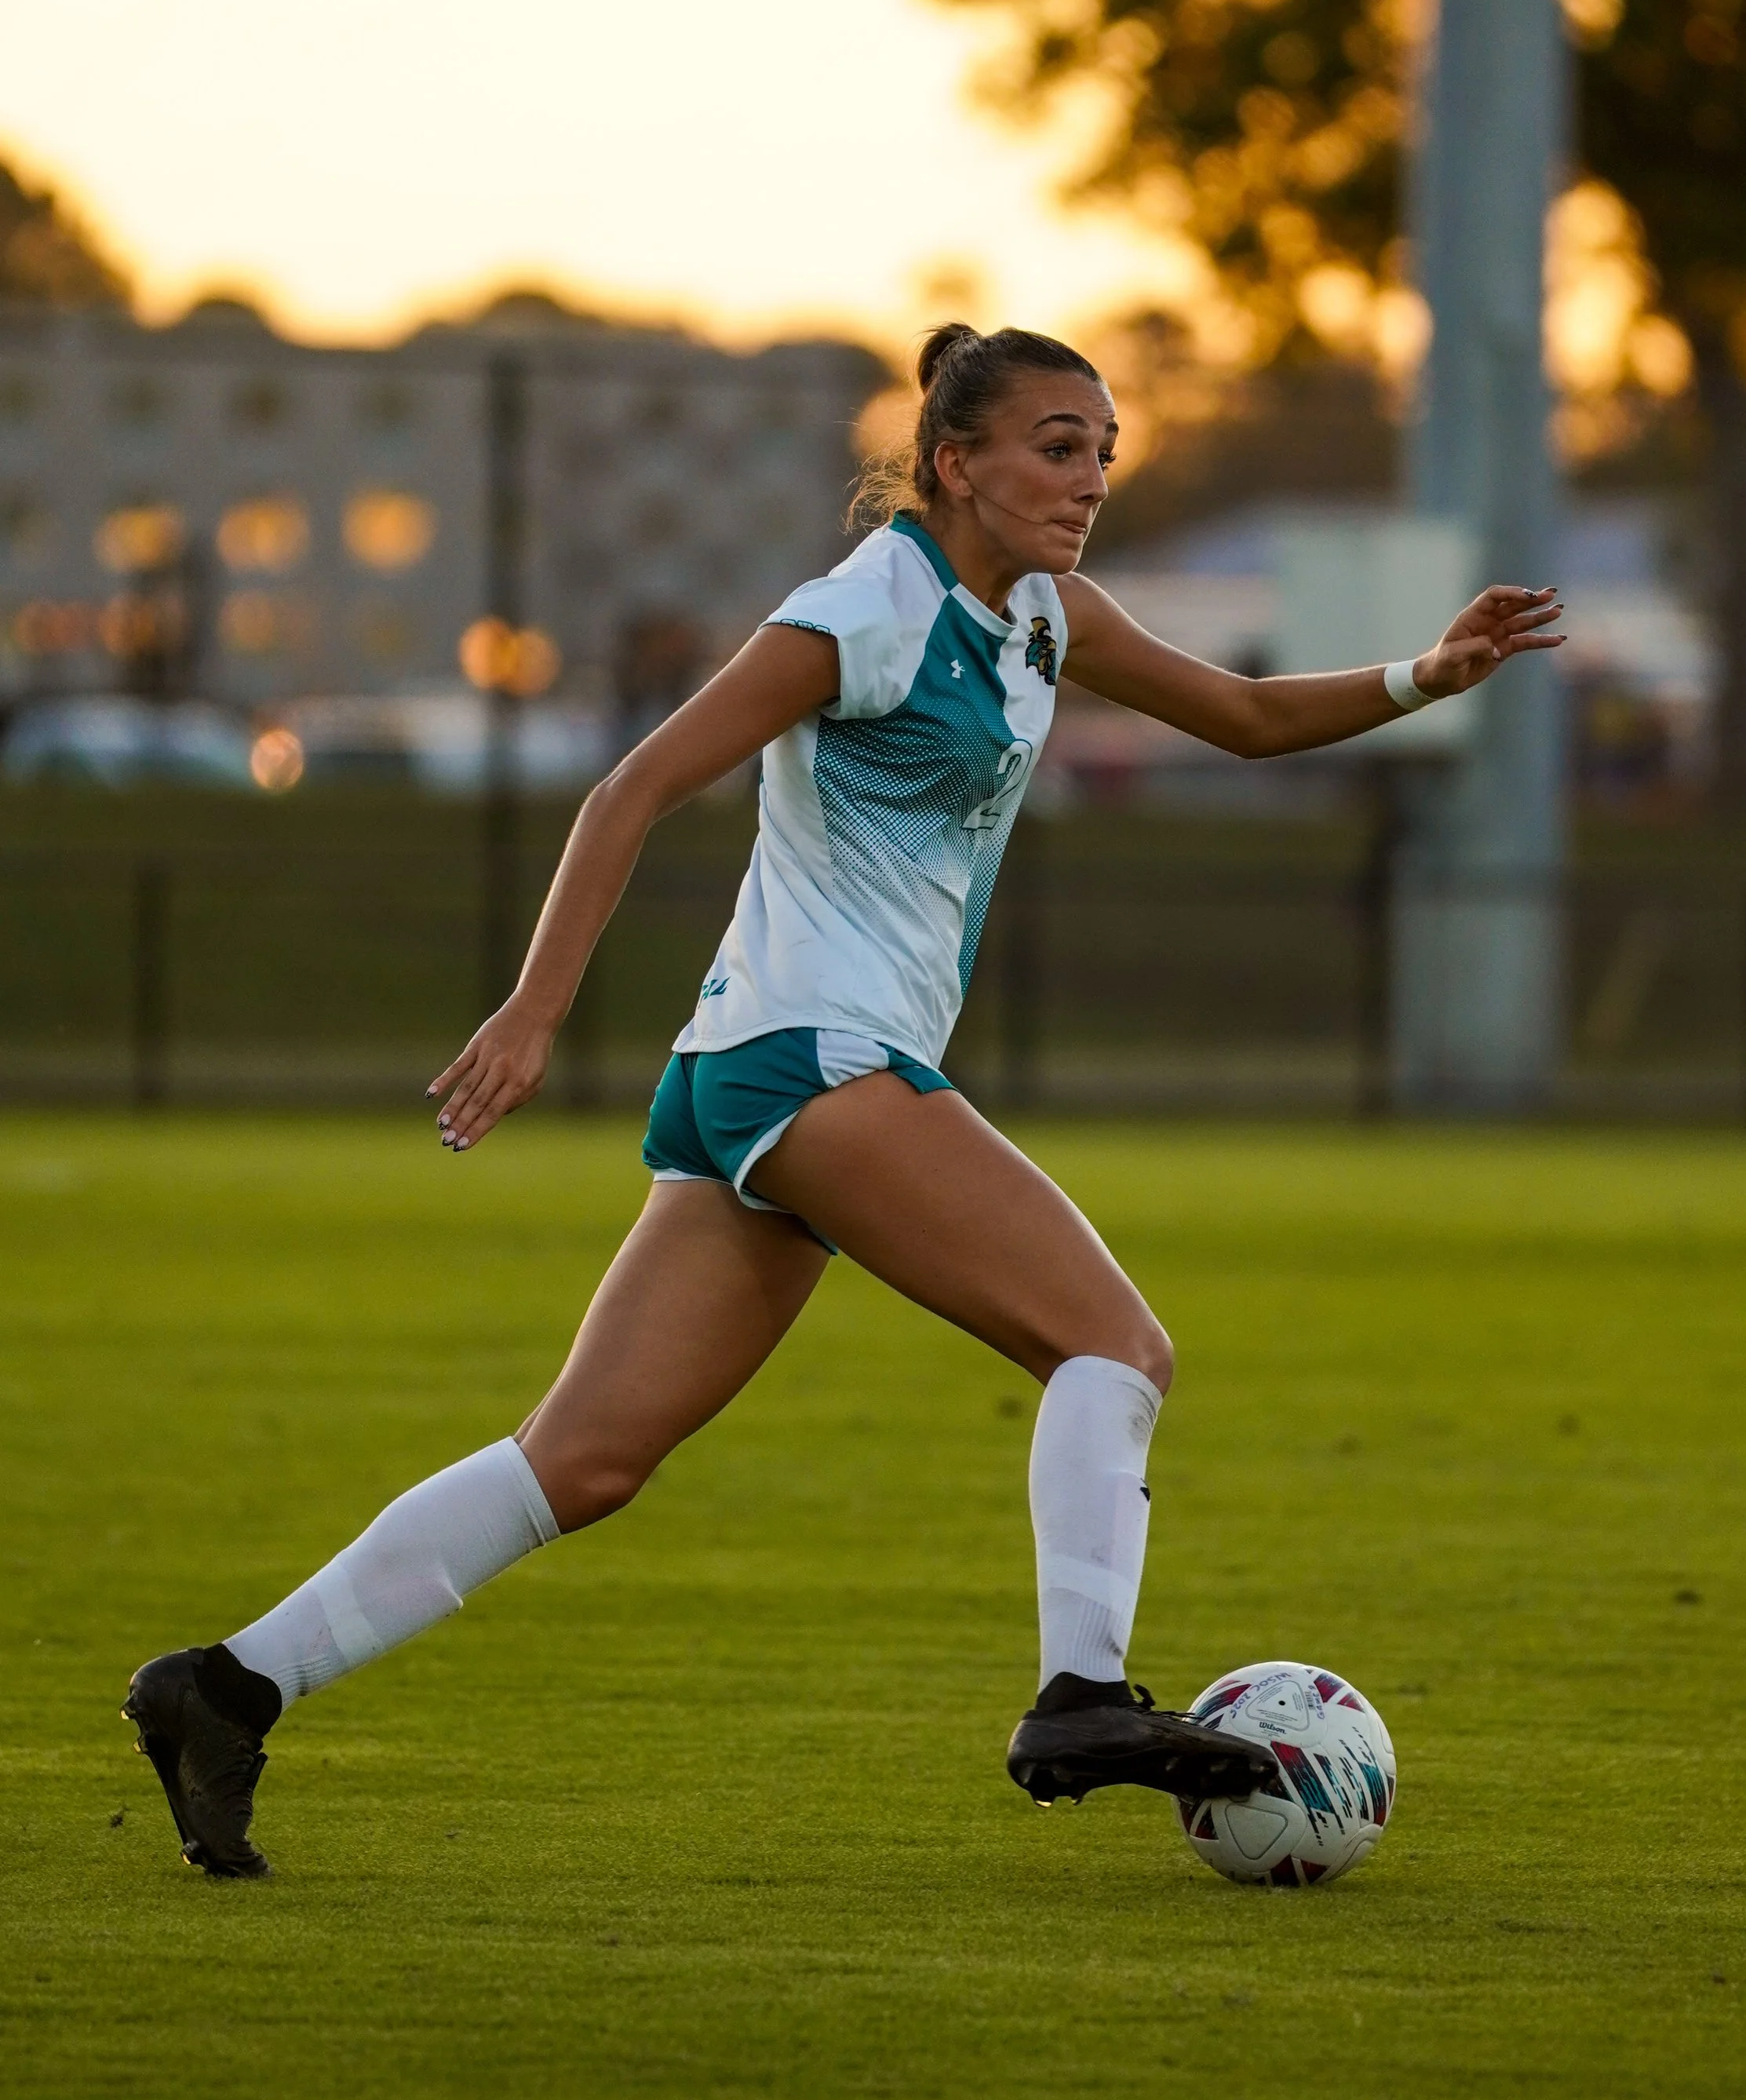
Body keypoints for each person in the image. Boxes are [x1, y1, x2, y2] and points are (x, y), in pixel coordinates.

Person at [123, 323, 1563, 1878]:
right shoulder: (861, 609)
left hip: (762, 1078)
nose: (1086, 480)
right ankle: (1078, 1695)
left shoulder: (1041, 616)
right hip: (814, 1059)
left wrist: (1434, 671)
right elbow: (632, 789)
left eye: (1101, 452)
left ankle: (223, 1689)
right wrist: (533, 1013)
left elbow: (1250, 717)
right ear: (954, 461)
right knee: (1111, 1345)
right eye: (1054, 445)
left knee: (580, 1463)